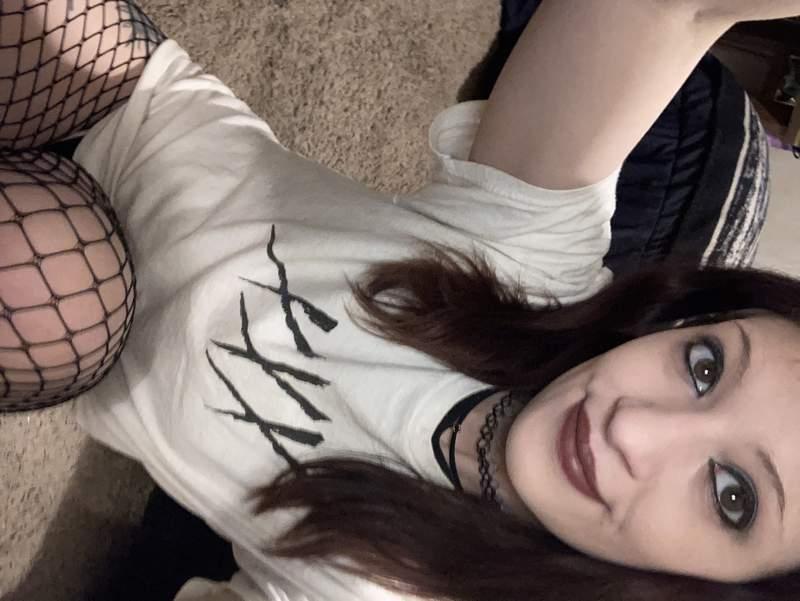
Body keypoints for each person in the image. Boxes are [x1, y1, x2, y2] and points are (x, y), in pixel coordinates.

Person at [3, 1, 800, 600]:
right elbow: (674, 8)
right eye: (704, 365)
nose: (634, 427)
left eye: (732, 495)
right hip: (121, 104)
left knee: (52, 281)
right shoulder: (538, 268)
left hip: (60, 316)